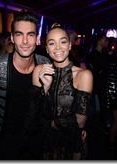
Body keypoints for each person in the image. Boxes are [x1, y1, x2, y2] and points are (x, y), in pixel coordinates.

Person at [0, 10, 50, 160]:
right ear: (12, 38)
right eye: (19, 34)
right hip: (5, 134)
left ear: (37, 39)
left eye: (30, 34)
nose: (25, 41)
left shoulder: (45, 63)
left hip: (35, 135)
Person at [31, 23, 93, 160]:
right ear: (46, 48)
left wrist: (49, 123)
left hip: (71, 143)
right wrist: (45, 89)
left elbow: (80, 122)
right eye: (52, 43)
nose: (58, 47)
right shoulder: (39, 71)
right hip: (45, 141)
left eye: (63, 42)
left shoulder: (84, 75)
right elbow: (33, 113)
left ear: (70, 45)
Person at [85, 33, 110, 131]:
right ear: (99, 41)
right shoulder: (92, 55)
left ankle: (102, 125)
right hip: (95, 85)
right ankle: (94, 127)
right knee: (94, 108)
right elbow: (96, 71)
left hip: (103, 85)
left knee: (103, 106)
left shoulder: (105, 54)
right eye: (105, 40)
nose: (107, 41)